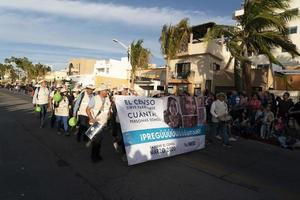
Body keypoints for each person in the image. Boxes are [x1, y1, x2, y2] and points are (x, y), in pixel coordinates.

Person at [86, 85, 112, 163]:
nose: (107, 92)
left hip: (104, 123)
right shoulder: (94, 98)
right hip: (96, 123)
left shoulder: (107, 99)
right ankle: (94, 156)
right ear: (101, 91)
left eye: (107, 90)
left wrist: (109, 117)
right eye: (105, 90)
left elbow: (108, 109)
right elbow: (87, 109)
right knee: (96, 141)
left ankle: (97, 154)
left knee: (100, 141)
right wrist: (91, 118)